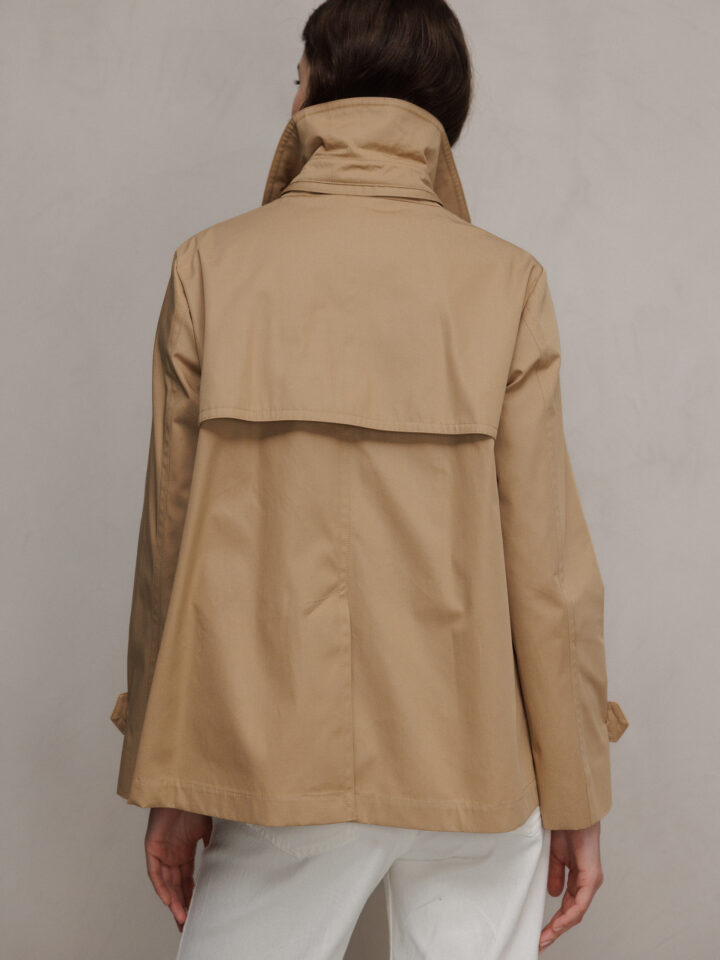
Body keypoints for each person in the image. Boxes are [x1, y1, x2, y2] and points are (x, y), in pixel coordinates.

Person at [109, 1, 629, 957]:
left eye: (296, 76)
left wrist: (169, 773)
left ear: (314, 85)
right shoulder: (505, 281)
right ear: (445, 109)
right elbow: (548, 571)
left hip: (271, 761)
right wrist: (577, 789)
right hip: (477, 762)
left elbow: (169, 549)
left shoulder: (210, 268)